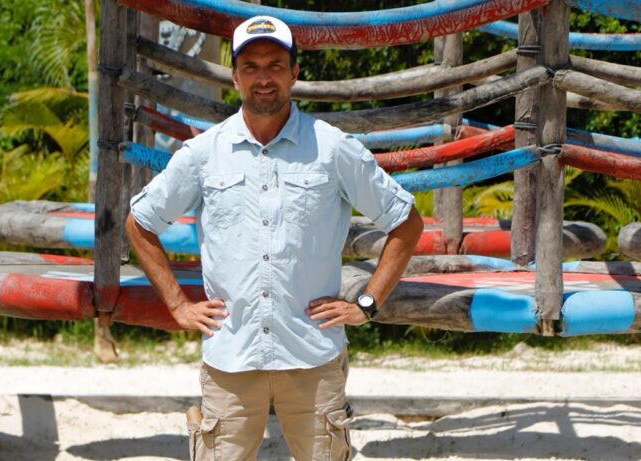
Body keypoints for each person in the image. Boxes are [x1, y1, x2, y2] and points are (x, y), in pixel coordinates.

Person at [126, 15, 423, 461]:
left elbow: (405, 222)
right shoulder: (204, 154)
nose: (263, 78)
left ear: (294, 73)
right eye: (251, 67)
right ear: (235, 77)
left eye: (275, 65)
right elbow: (140, 222)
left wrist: (367, 303)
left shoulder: (332, 149)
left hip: (313, 356)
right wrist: (177, 305)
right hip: (231, 357)